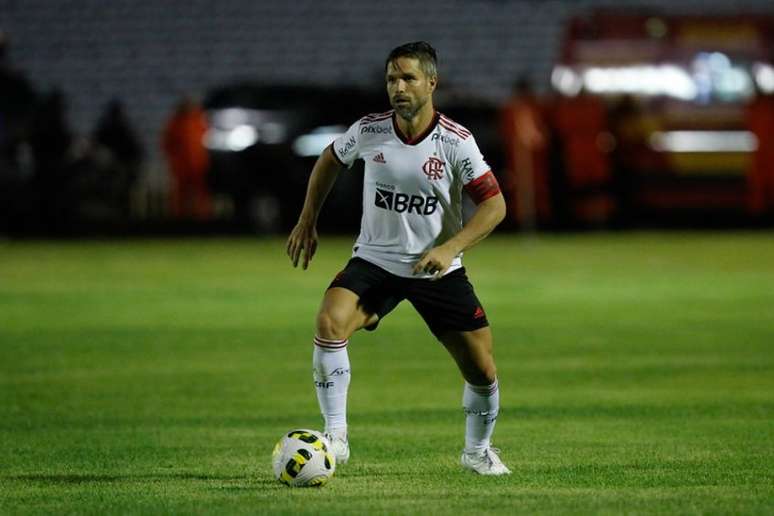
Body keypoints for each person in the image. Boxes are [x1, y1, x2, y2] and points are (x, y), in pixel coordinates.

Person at [286, 42, 510, 475]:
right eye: (391, 78)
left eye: (408, 78)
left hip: (436, 270)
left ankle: (477, 452)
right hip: (375, 262)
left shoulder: (456, 142)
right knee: (330, 320)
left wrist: (449, 248)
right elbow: (330, 159)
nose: (398, 87)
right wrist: (307, 219)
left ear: (431, 82)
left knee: (481, 370)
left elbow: (494, 205)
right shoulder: (369, 131)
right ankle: (336, 437)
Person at [161, 96, 211, 219]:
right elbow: (167, 144)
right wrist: (174, 160)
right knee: (180, 194)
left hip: (199, 165)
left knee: (201, 193)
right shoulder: (175, 122)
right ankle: (179, 218)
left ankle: (203, 217)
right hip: (182, 166)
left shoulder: (199, 120)